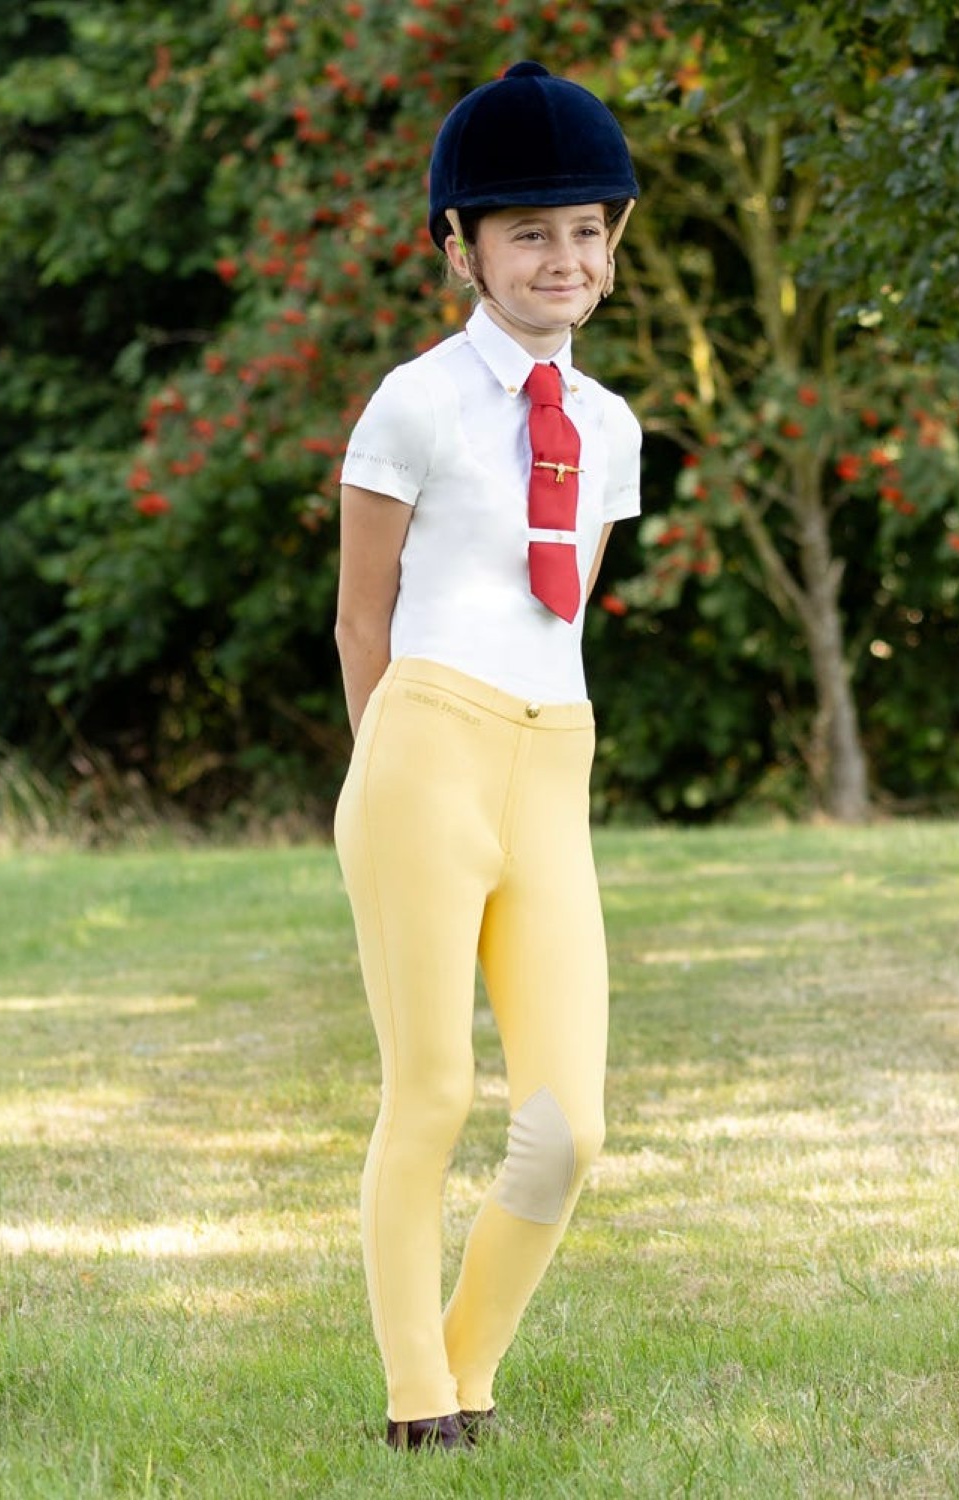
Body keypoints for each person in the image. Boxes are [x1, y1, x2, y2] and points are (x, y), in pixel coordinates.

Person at [332, 60, 642, 1452]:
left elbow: (559, 612)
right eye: (528, 233)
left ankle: (467, 1361)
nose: (562, 258)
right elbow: (362, 617)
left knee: (568, 1127)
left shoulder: (613, 430)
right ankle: (422, 1406)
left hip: (552, 762)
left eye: (586, 229)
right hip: (423, 753)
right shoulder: (413, 404)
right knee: (435, 1094)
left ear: (612, 243)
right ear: (459, 245)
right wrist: (384, 777)